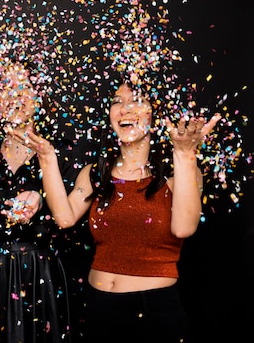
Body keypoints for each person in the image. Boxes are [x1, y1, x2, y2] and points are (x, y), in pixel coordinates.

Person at [15, 76, 222, 343]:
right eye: (117, 102)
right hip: (98, 308)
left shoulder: (179, 172)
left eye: (137, 101)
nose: (124, 109)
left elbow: (183, 227)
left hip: (154, 313)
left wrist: (184, 155)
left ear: (155, 114)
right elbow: (64, 218)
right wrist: (47, 159)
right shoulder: (96, 173)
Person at [0, 63, 92, 343]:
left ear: (38, 96)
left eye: (22, 87)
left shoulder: (65, 153)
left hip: (45, 278)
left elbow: (71, 220)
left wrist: (43, 200)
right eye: (5, 88)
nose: (14, 96)